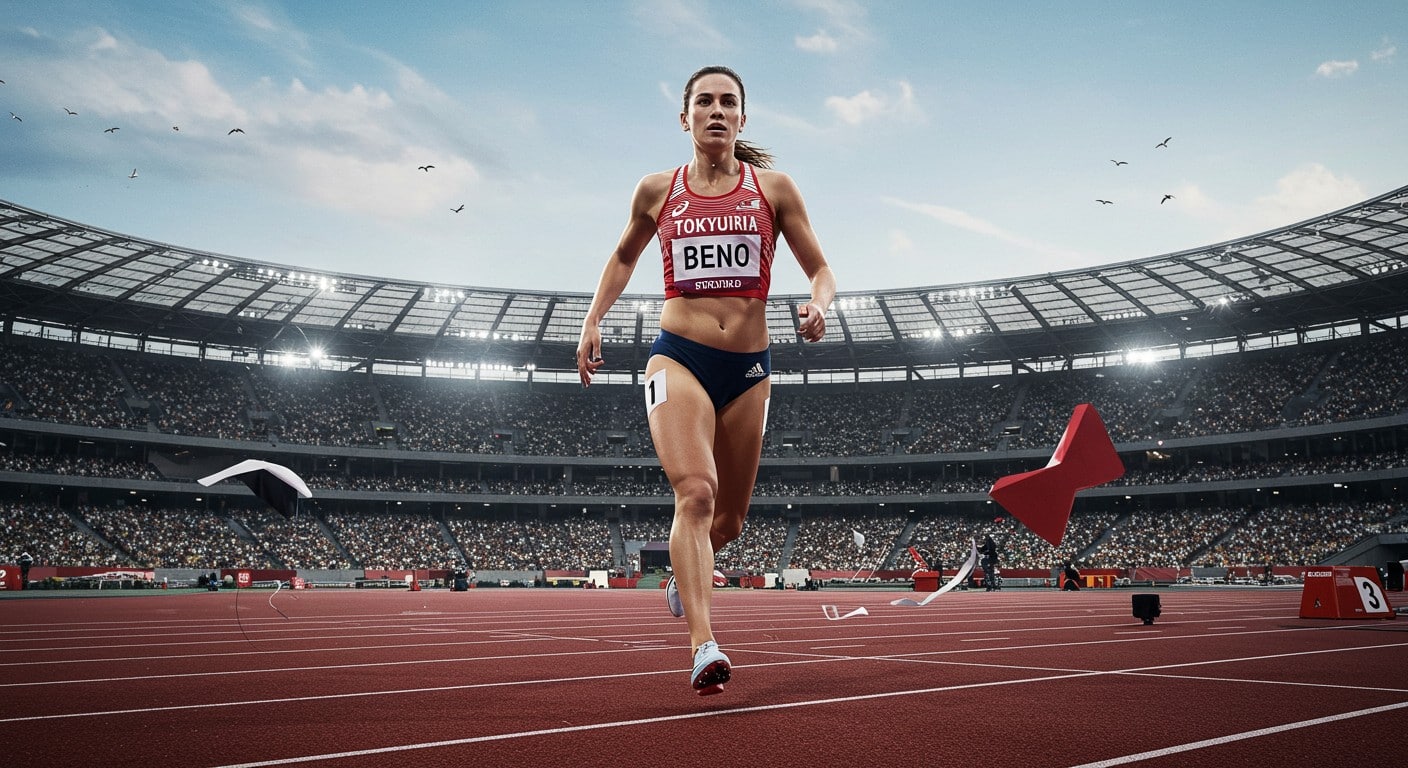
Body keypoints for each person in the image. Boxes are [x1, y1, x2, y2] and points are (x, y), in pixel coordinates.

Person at [577, 65, 836, 696]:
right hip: (679, 357)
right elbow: (622, 257)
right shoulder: (656, 190)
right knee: (694, 493)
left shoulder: (773, 189)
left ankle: (680, 577)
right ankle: (703, 646)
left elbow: (820, 267)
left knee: (729, 522)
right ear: (684, 116)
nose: (715, 111)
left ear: (742, 118)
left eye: (727, 103)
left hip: (748, 370)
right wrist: (593, 319)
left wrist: (820, 304)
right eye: (704, 102)